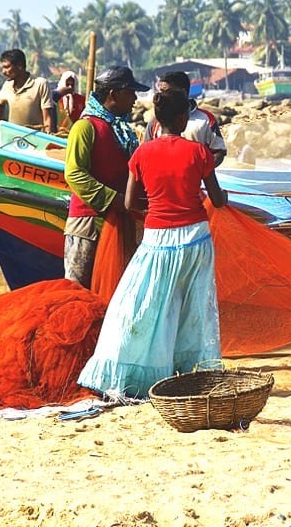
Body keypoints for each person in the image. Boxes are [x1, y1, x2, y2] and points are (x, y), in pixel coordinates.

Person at [77, 88, 229, 399]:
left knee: (144, 306)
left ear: (157, 121)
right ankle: (193, 375)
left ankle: (139, 373)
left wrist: (157, 206)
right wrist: (222, 198)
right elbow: (216, 199)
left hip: (157, 239)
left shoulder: (141, 154)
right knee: (194, 309)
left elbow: (132, 201)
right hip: (195, 239)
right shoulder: (199, 153)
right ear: (184, 118)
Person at [63, 66, 149, 288]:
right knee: (79, 290)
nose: (135, 99)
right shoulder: (85, 127)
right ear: (114, 94)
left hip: (119, 221)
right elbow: (75, 173)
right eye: (130, 92)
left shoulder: (119, 128)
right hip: (89, 223)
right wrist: (115, 200)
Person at [144, 71, 228, 167]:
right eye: (161, 92)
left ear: (183, 92)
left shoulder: (206, 119)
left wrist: (201, 172)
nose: (162, 96)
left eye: (166, 92)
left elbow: (219, 152)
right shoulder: (155, 122)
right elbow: (146, 155)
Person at [0, 49, 54, 133]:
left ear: (20, 66)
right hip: (12, 138)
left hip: (35, 138)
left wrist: (48, 137)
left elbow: (47, 118)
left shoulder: (40, 84)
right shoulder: (7, 85)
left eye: (7, 67)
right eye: (3, 68)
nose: (3, 72)